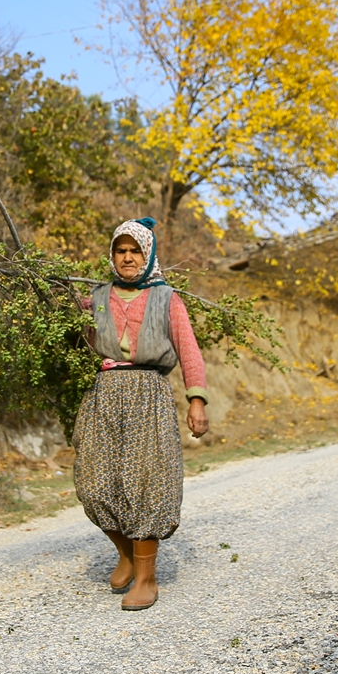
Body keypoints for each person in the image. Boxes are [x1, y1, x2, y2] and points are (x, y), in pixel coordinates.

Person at [73, 217, 209, 610]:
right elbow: (72, 335)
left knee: (148, 484)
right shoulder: (95, 298)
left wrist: (196, 400)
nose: (128, 257)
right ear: (112, 255)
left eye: (135, 251)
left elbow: (189, 352)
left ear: (147, 256)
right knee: (96, 482)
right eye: (121, 250)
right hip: (106, 394)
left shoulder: (168, 299)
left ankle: (146, 576)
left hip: (149, 394)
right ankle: (127, 554)